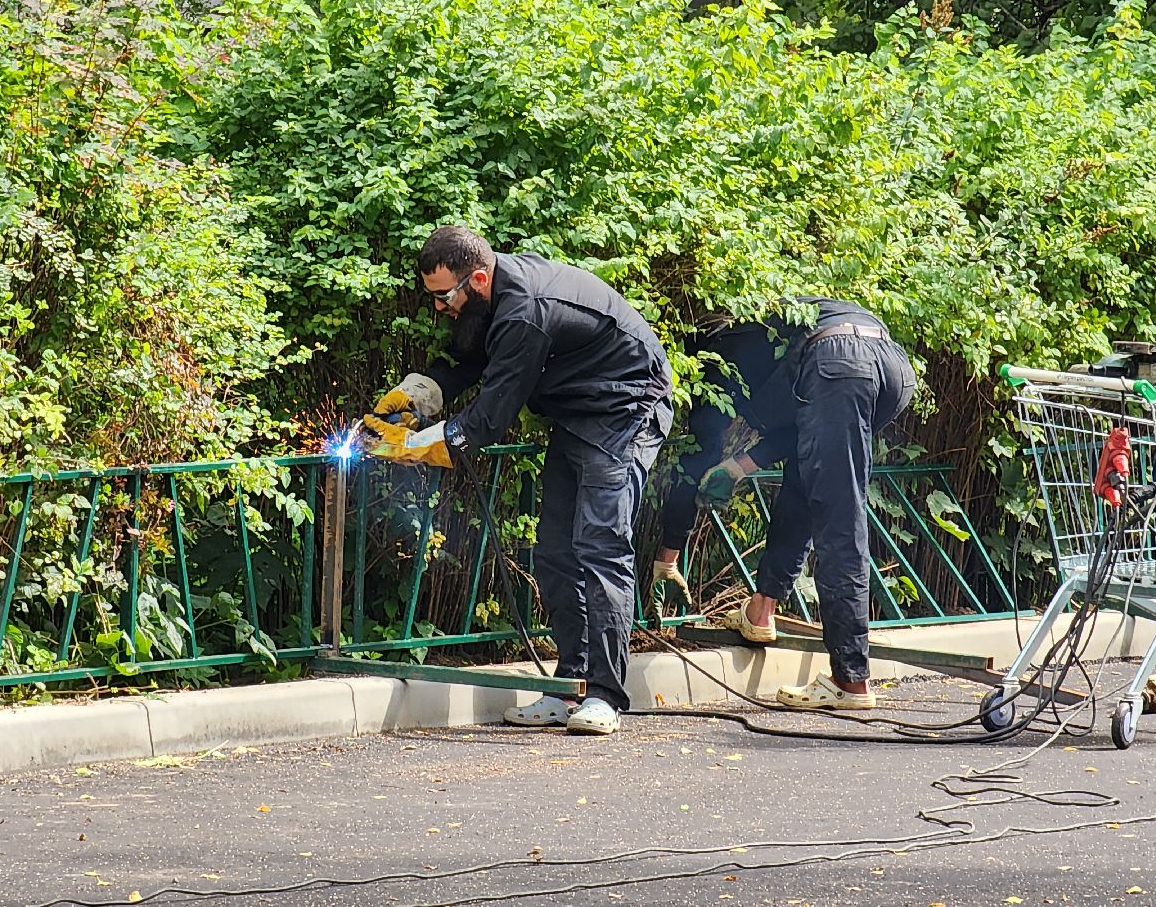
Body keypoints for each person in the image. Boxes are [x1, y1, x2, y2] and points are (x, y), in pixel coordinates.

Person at [363, 225, 673, 736]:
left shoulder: (527, 311)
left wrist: (415, 446)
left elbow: (488, 418)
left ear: (478, 277)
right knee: (553, 552)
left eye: (444, 296)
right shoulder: (492, 298)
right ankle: (569, 686)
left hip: (627, 409)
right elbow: (472, 358)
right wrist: (418, 395)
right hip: (578, 413)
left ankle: (605, 696)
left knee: (599, 546)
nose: (439, 308)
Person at [653, 298, 916, 710]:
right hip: (890, 364)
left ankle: (850, 682)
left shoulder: (714, 354)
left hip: (837, 364)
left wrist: (666, 558)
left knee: (839, 522)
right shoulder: (762, 326)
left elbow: (697, 458)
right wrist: (741, 466)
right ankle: (761, 611)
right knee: (807, 489)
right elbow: (803, 435)